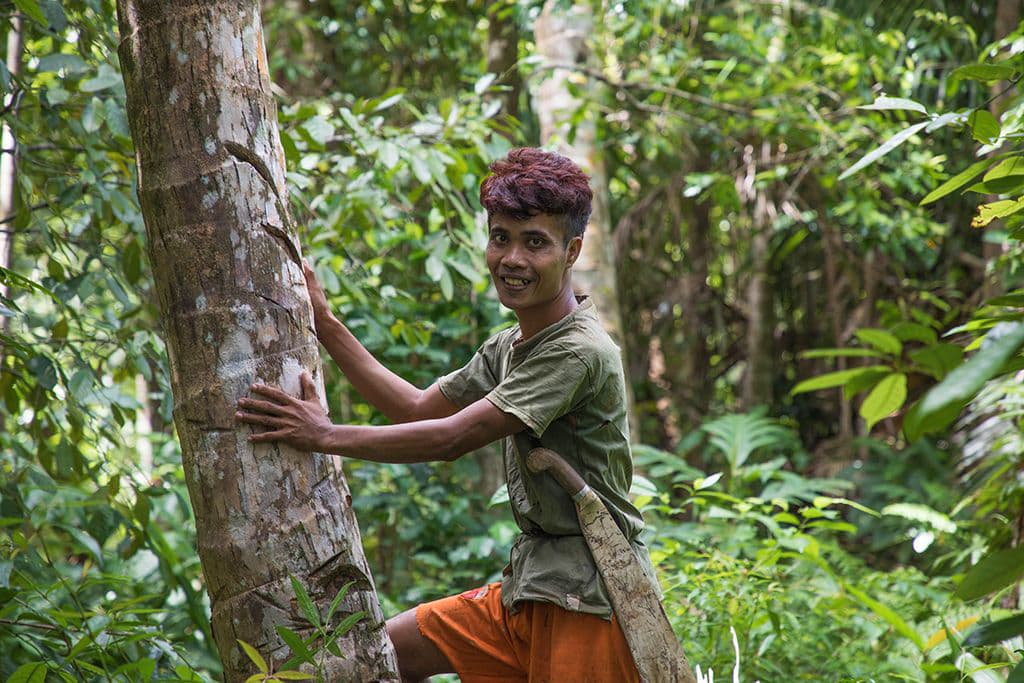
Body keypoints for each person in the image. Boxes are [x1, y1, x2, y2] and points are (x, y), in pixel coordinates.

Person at [235, 147, 656, 682]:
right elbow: (413, 407)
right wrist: (325, 321)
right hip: (532, 587)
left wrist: (323, 434)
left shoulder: (577, 351)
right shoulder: (510, 344)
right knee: (382, 652)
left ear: (572, 251)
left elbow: (449, 439)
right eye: (500, 238)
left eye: (536, 243)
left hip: (592, 600)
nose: (512, 259)